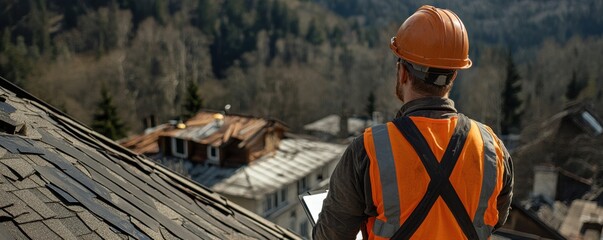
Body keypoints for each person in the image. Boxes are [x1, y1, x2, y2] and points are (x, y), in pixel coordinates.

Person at [313, 5, 513, 240]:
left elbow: (330, 236)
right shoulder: (493, 148)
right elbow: (497, 218)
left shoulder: (368, 150)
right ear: (454, 75)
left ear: (403, 73)